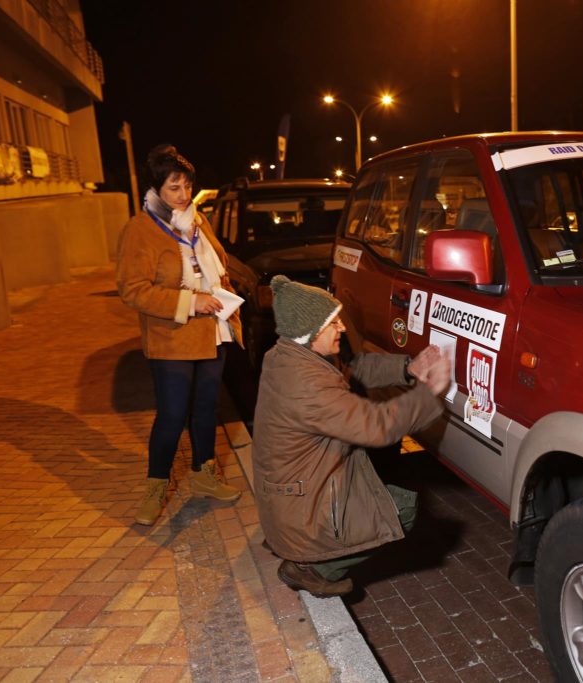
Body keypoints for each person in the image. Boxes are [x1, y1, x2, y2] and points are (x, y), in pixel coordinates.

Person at [253, 275, 451, 596]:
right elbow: (377, 425)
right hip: (302, 508)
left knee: (375, 473)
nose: (342, 328)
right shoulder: (306, 386)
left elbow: (354, 367)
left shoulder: (290, 356)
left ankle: (305, 551)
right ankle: (311, 568)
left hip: (295, 494)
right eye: (333, 323)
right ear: (310, 332)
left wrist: (408, 367)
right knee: (401, 509)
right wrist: (429, 394)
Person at [116, 144, 243, 526]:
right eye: (174, 188)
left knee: (206, 410)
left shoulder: (197, 221)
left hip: (212, 332)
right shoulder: (140, 230)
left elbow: (216, 265)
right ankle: (156, 488)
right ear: (157, 190)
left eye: (187, 186)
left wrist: (224, 289)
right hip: (172, 337)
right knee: (172, 415)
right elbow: (132, 290)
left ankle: (204, 476)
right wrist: (192, 301)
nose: (184, 195)